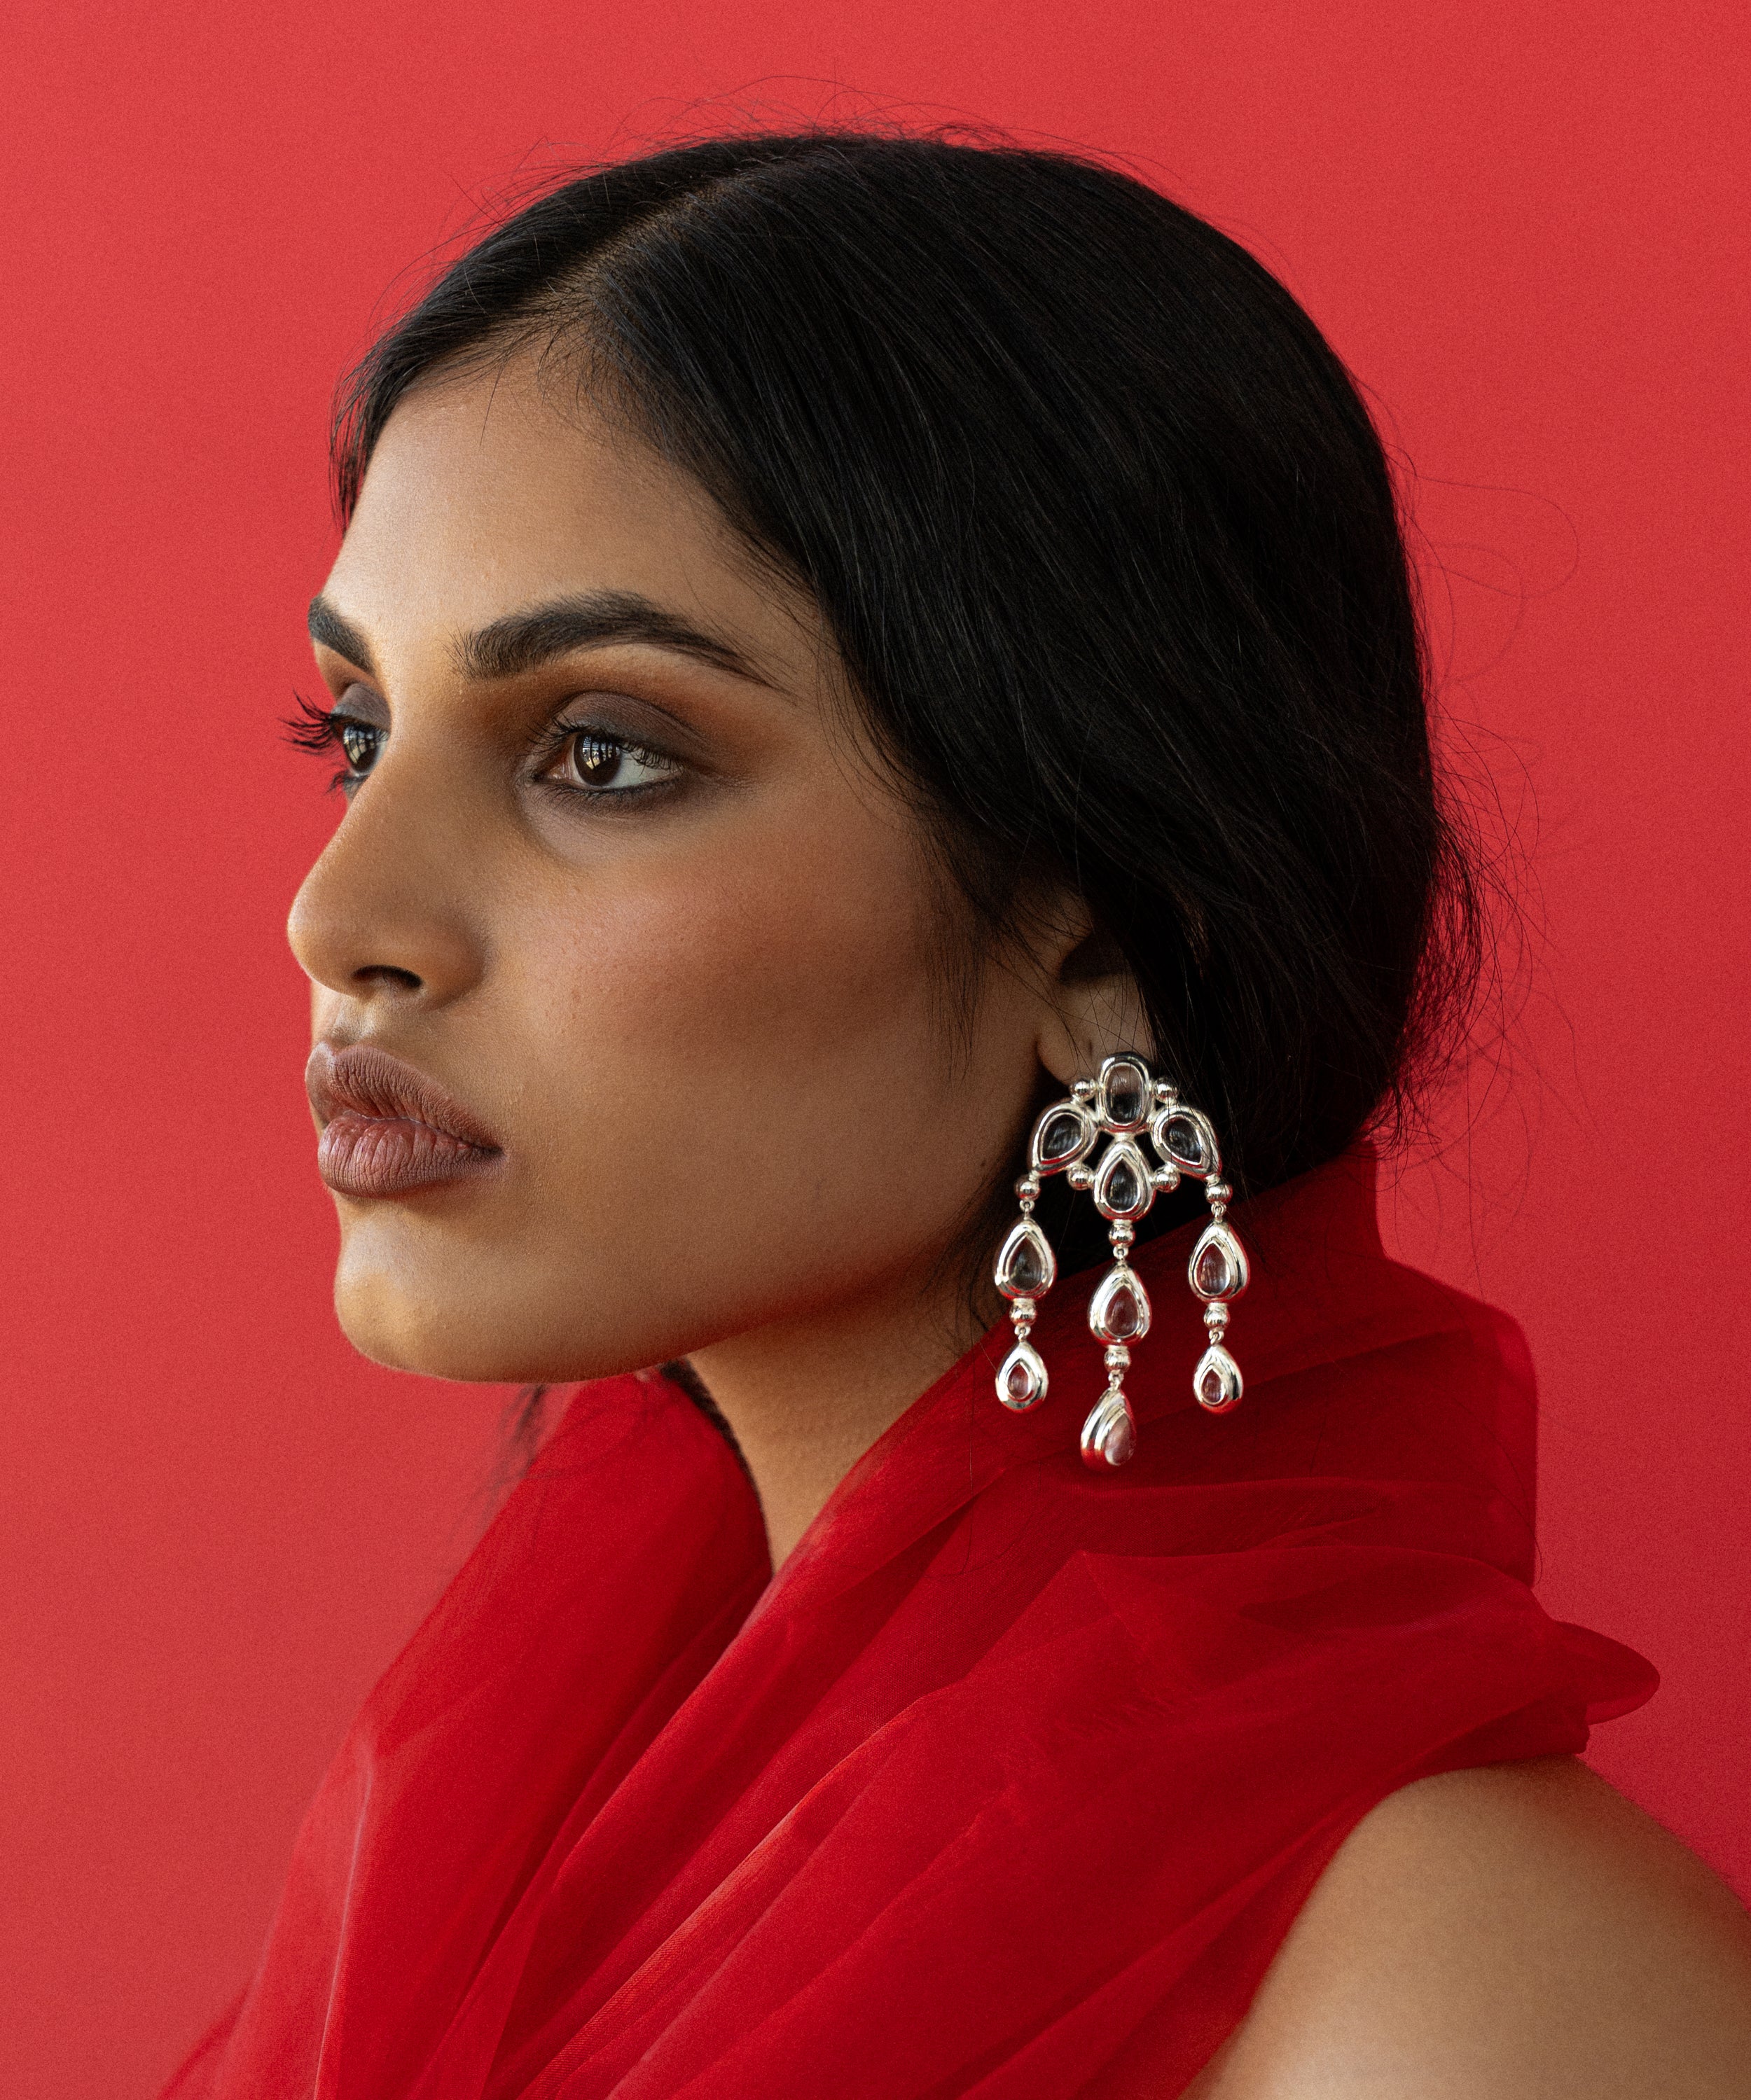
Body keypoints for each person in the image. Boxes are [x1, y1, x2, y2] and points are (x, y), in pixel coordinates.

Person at [164, 132, 1751, 2096]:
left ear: (1101, 933)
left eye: (601, 753)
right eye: (355, 735)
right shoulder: (536, 1815)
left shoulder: (1468, 2006)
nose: (339, 919)